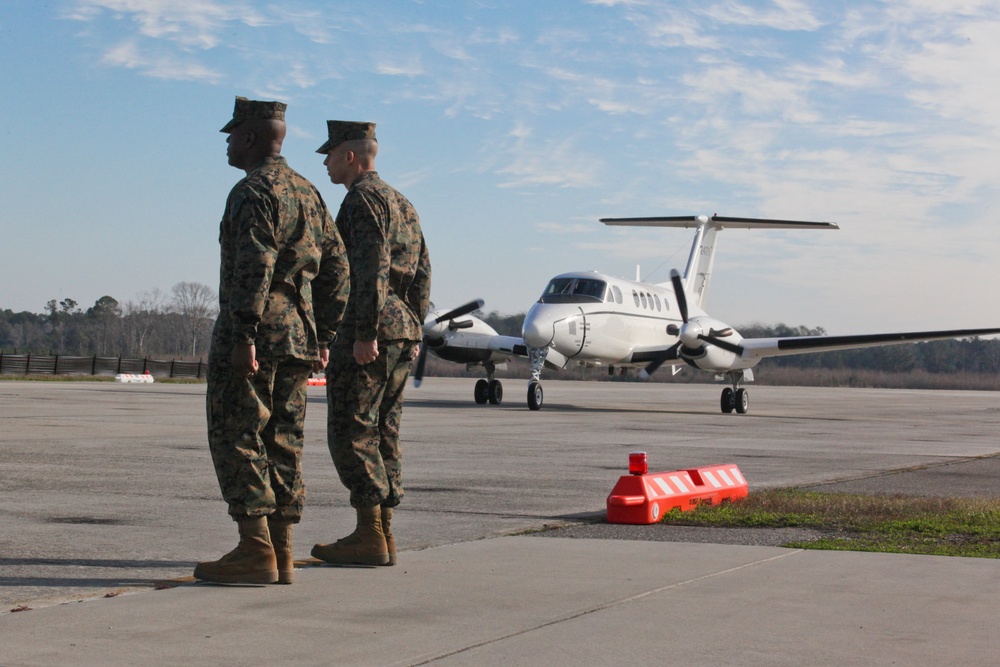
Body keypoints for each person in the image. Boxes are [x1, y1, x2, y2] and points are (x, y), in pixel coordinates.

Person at [194, 97, 349, 585]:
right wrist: (323, 332)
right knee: (284, 438)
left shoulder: (252, 191)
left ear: (251, 138)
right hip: (298, 333)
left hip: (257, 330)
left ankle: (254, 547)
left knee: (237, 432)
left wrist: (242, 333)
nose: (227, 143)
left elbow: (254, 265)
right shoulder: (308, 192)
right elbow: (339, 269)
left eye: (232, 134)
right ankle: (282, 551)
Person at [311, 120, 431, 567]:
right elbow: (421, 271)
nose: (324, 162)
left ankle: (369, 534)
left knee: (351, 430)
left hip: (371, 330)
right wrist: (414, 327)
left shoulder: (361, 201)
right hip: (401, 329)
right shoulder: (403, 202)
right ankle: (384, 533)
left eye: (329, 154)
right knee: (384, 431)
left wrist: (363, 333)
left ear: (350, 156)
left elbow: (370, 269)